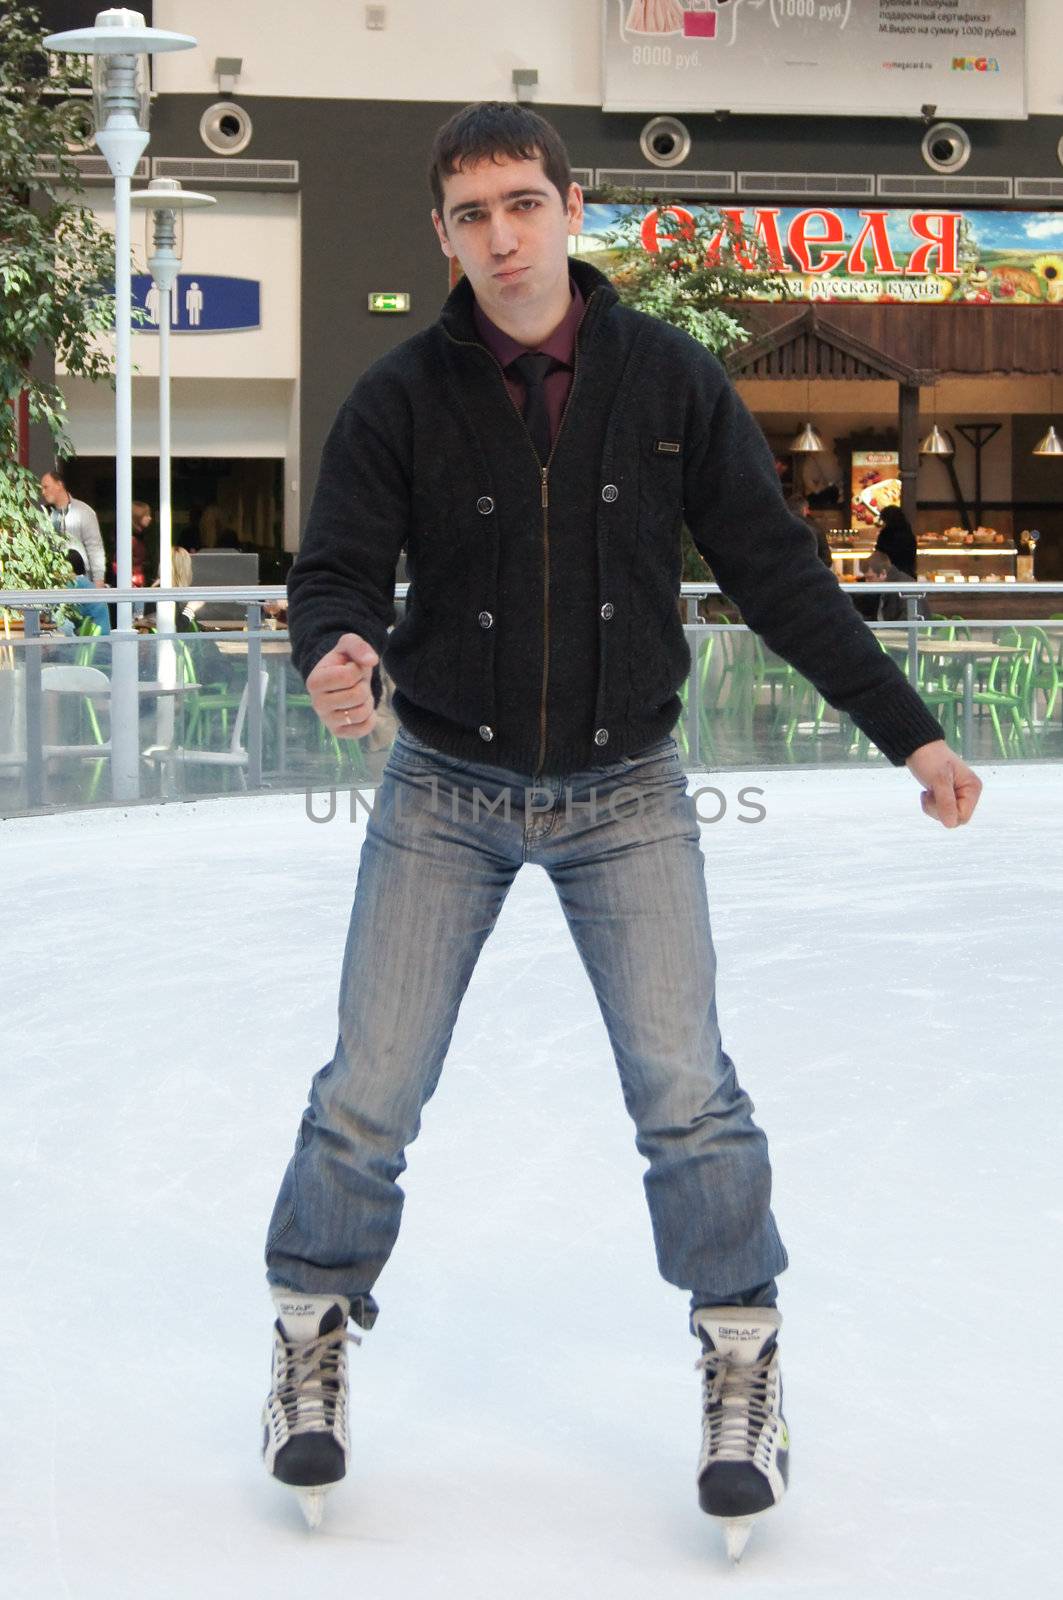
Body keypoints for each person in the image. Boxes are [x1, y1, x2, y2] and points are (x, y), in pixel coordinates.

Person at [260, 102, 982, 1554]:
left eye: (521, 203)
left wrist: (905, 728)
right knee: (369, 1090)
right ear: (442, 236)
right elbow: (333, 569)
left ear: (571, 206)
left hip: (626, 791)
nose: (500, 236)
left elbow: (777, 576)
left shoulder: (666, 380)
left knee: (684, 1093)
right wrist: (337, 649)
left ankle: (739, 1359)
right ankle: (308, 1333)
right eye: (469, 216)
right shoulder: (400, 395)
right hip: (443, 791)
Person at [40, 470, 107, 587]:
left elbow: (94, 547)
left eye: (46, 487)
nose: (43, 492)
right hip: (52, 580)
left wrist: (98, 581)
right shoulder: (44, 515)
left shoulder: (83, 511)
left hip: (80, 578)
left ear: (59, 485)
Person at [859, 550, 927, 623]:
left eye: (870, 578)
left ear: (883, 573)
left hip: (901, 633)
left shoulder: (903, 587)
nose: (867, 582)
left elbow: (910, 621)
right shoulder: (890, 585)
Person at [57, 548, 111, 635]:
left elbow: (60, 614)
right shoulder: (85, 582)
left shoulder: (73, 584)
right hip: (102, 634)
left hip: (92, 637)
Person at [786, 491, 833, 571]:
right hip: (809, 576)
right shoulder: (815, 527)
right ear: (805, 509)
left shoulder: (780, 526)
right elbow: (827, 560)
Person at [875, 505, 917, 579]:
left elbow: (880, 555)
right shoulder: (908, 533)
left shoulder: (886, 535)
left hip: (889, 576)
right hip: (908, 575)